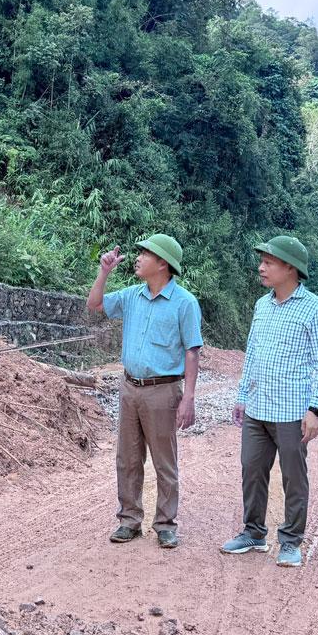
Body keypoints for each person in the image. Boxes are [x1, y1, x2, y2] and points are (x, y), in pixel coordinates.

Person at [223, 235, 318, 568]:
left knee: (293, 477)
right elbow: (253, 354)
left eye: (269, 262)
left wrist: (316, 409)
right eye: (262, 261)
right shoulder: (262, 305)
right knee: (252, 470)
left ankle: (290, 541)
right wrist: (242, 395)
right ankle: (253, 533)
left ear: (290, 267)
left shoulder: (315, 309)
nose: (261, 267)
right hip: (258, 408)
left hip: (292, 411)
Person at [88, 234, 203, 549]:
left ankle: (165, 524)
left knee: (164, 461)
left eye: (145, 253)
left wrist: (188, 398)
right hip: (129, 387)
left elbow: (192, 352)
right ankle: (129, 521)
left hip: (163, 391)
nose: (137, 258)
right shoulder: (131, 296)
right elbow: (95, 304)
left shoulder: (184, 303)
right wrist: (104, 272)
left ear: (163, 263)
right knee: (127, 458)